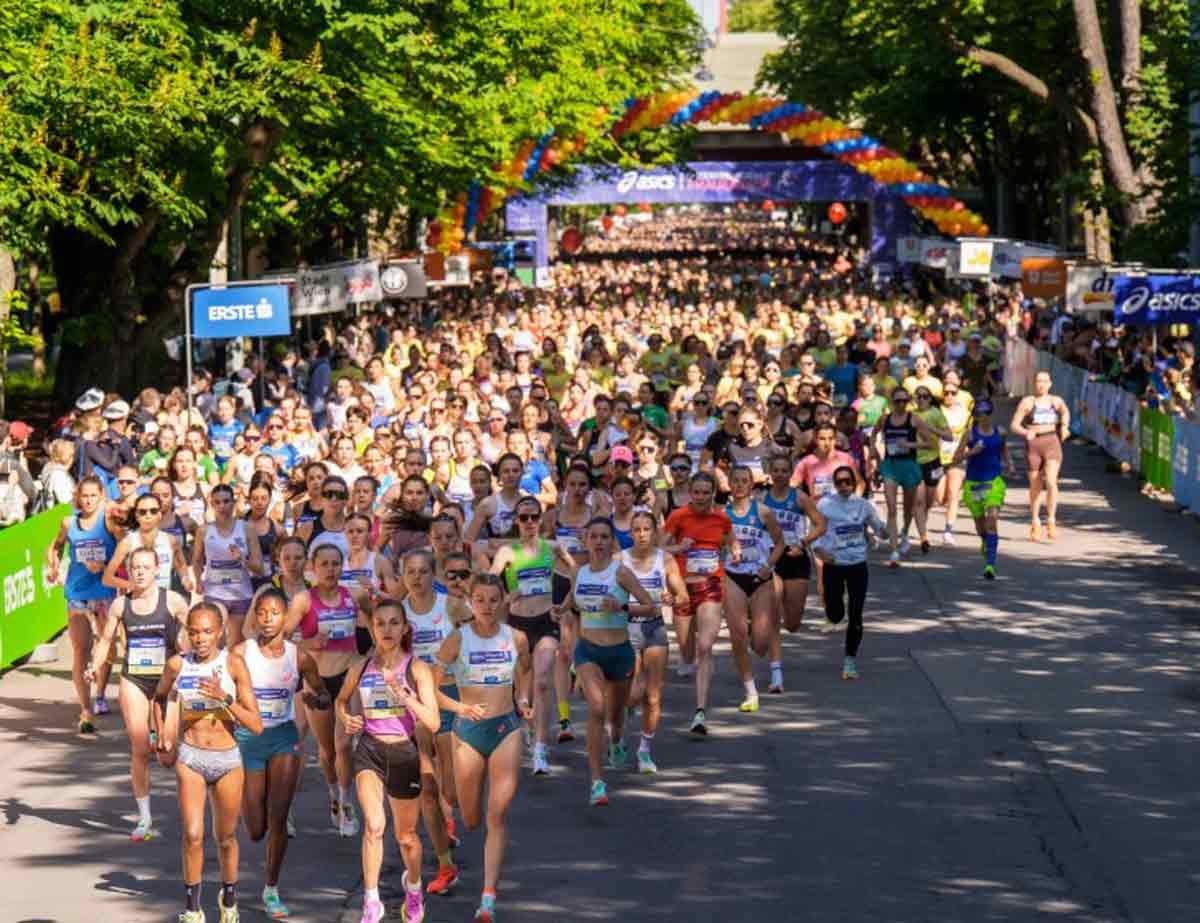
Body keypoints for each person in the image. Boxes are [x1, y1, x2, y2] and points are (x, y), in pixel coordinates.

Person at [153, 602, 264, 923]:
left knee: (226, 838)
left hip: (228, 759)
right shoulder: (177, 665)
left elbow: (255, 724)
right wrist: (160, 734)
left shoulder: (233, 664)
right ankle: (192, 909)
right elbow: (159, 698)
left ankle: (228, 899)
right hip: (191, 756)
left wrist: (223, 698)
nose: (199, 638)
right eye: (193, 632)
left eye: (206, 631)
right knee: (192, 834)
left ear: (220, 633)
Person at [435, 574, 533, 923]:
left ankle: (488, 897)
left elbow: (525, 671)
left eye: (494, 599)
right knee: (472, 818)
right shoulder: (457, 640)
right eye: (480, 600)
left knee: (497, 814)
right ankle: (459, 820)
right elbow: (432, 689)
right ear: (471, 602)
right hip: (467, 733)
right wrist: (460, 708)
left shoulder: (516, 638)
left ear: (503, 600)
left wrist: (523, 699)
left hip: (506, 727)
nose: (487, 607)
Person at [337, 598, 442, 923]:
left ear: (405, 628)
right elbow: (341, 700)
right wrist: (346, 717)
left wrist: (406, 696)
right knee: (373, 826)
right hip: (369, 750)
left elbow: (433, 722)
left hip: (403, 753)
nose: (387, 629)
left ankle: (414, 887)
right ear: (372, 628)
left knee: (406, 837)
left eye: (394, 622)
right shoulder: (361, 667)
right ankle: (371, 901)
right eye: (380, 623)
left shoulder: (417, 669)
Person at [234, 589, 329, 919]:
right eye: (261, 612)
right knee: (255, 829)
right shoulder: (241, 653)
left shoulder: (299, 657)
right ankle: (252, 803)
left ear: (285, 616)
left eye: (274, 612)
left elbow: (322, 694)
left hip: (283, 738)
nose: (267, 619)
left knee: (278, 817)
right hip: (248, 740)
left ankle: (271, 889)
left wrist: (317, 700)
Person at [88, 546, 188, 840]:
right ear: (129, 572)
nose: (140, 572)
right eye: (135, 568)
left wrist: (190, 651)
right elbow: (106, 640)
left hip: (167, 682)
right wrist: (95, 667)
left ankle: (161, 735)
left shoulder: (173, 601)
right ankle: (144, 818)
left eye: (146, 567)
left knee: (168, 755)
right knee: (140, 747)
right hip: (134, 679)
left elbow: (196, 633)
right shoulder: (121, 605)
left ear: (157, 569)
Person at [555, 517, 656, 805]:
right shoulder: (579, 573)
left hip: (619, 652)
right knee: (597, 708)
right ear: (586, 541)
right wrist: (559, 609)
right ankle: (597, 782)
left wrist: (622, 606)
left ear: (612, 542)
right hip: (588, 651)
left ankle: (616, 740)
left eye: (604, 537)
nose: (598, 542)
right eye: (594, 537)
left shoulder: (620, 572)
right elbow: (571, 601)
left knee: (616, 716)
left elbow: (650, 606)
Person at [488, 496, 577, 775]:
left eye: (534, 517)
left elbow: (579, 576)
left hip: (546, 621)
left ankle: (540, 748)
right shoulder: (507, 552)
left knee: (542, 681)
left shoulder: (553, 548)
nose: (529, 522)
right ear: (516, 521)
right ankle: (527, 722)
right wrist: (505, 597)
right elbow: (488, 583)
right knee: (522, 690)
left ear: (541, 519)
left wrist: (565, 606)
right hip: (517, 625)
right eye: (523, 517)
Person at [286, 543, 368, 837]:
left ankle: (346, 803)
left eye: (335, 564)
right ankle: (333, 794)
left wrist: (372, 655)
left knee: (345, 745)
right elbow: (282, 638)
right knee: (327, 751)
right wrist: (308, 643)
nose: (331, 570)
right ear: (313, 567)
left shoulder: (354, 595)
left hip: (349, 676)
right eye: (325, 564)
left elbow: (377, 622)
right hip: (317, 681)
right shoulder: (303, 600)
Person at [400, 549, 469, 895]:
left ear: (434, 575)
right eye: (410, 572)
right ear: (403, 576)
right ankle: (445, 865)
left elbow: (479, 635)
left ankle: (449, 816)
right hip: (414, 702)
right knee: (426, 788)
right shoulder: (398, 612)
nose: (417, 578)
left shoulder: (451, 606)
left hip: (448, 695)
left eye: (423, 571)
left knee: (450, 792)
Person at [662, 472, 734, 737]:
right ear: (690, 492)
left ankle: (700, 712)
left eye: (706, 492)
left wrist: (736, 551)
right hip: (682, 587)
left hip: (710, 585)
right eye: (697, 492)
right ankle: (688, 657)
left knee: (705, 646)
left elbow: (730, 542)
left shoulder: (721, 518)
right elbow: (658, 549)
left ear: (713, 493)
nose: (701, 497)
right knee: (686, 648)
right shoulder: (678, 516)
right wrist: (679, 548)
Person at [47, 476, 117, 732]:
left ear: (101, 496)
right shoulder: (69, 523)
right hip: (77, 593)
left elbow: (125, 552)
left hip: (105, 593)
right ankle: (85, 709)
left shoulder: (108, 522)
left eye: (92, 496)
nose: (88, 501)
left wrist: (105, 565)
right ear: (77, 497)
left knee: (107, 647)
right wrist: (53, 565)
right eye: (84, 496)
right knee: (80, 650)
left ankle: (100, 694)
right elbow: (54, 547)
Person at [621, 511, 688, 773]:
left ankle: (644, 750)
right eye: (636, 530)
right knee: (632, 694)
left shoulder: (665, 559)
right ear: (630, 534)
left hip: (655, 628)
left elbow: (682, 595)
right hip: (627, 629)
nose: (641, 535)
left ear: (654, 532)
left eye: (646, 529)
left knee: (652, 696)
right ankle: (620, 722)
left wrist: (673, 598)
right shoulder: (619, 560)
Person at [812, 466, 888, 679]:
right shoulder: (825, 504)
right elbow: (815, 530)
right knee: (835, 614)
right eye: (839, 482)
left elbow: (879, 529)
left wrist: (886, 530)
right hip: (834, 564)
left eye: (848, 481)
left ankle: (850, 660)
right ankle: (834, 615)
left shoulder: (863, 505)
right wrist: (818, 550)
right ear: (835, 484)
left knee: (856, 614)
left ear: (854, 483)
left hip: (857, 565)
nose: (844, 486)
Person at [722, 466, 786, 713]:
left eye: (744, 481)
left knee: (759, 644)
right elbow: (716, 546)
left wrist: (768, 567)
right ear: (729, 484)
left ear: (751, 485)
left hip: (760, 577)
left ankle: (752, 625)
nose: (739, 485)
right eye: (735, 481)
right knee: (737, 635)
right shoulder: (722, 515)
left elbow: (780, 544)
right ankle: (750, 691)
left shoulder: (763, 512)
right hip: (733, 576)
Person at [763, 454, 826, 692]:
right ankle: (776, 673)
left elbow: (821, 524)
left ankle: (769, 619)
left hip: (795, 558)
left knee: (792, 623)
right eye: (776, 470)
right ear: (770, 472)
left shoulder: (799, 497)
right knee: (773, 612)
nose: (779, 474)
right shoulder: (762, 498)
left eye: (784, 470)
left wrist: (803, 542)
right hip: (772, 558)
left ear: (790, 473)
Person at [874, 389, 940, 569]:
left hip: (909, 466)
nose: (901, 404)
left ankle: (904, 532)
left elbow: (930, 442)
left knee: (908, 508)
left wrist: (910, 444)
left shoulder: (914, 419)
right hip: (890, 466)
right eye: (898, 401)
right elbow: (873, 433)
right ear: (892, 402)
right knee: (892, 508)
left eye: (904, 401)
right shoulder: (884, 419)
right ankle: (894, 551)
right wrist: (874, 451)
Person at [194, 483, 264, 647]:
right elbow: (196, 560)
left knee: (236, 645)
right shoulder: (204, 530)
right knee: (214, 643)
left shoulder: (247, 528)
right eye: (217, 502)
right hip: (215, 593)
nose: (222, 506)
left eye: (226, 501)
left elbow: (259, 569)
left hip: (241, 595)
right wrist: (198, 580)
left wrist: (242, 558)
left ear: (233, 503)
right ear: (211, 505)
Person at [956, 399, 1015, 579]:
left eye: (986, 414)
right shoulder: (969, 435)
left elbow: (1003, 449)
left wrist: (1010, 464)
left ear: (991, 413)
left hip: (994, 482)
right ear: (976, 416)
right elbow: (956, 458)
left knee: (992, 520)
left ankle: (990, 565)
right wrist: (971, 452)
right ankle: (984, 540)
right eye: (979, 414)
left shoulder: (1000, 432)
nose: (983, 418)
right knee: (981, 527)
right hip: (973, 484)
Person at [1010, 370, 1070, 542]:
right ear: (1034, 384)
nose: (1041, 384)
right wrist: (1025, 432)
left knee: (1051, 482)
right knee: (1035, 485)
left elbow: (1065, 412)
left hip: (1052, 442)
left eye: (1044, 381)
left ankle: (1051, 520)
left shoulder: (1056, 401)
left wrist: (1064, 426)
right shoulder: (1027, 402)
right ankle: (1035, 521)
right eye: (1038, 381)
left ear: (1050, 384)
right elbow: (1014, 425)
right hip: (1034, 445)